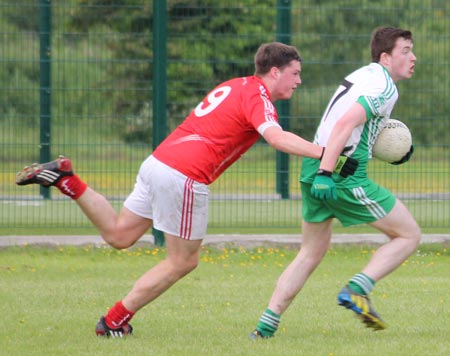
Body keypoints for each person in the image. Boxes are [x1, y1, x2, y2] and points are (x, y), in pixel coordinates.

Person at [15, 42, 358, 338]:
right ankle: (114, 321)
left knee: (119, 235)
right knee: (182, 261)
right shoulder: (257, 94)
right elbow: (276, 137)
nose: (299, 81)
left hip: (159, 163)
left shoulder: (236, 85)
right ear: (274, 71)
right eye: (295, 73)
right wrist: (327, 154)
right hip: (184, 175)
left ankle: (66, 178)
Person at [250, 27, 421, 339]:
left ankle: (265, 327)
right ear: (386, 57)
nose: (413, 57)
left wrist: (395, 150)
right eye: (406, 50)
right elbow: (345, 123)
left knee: (310, 252)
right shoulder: (385, 88)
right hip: (341, 174)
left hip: (312, 164)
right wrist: (328, 174)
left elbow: (356, 126)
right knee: (408, 235)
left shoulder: (363, 75)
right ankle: (358, 288)